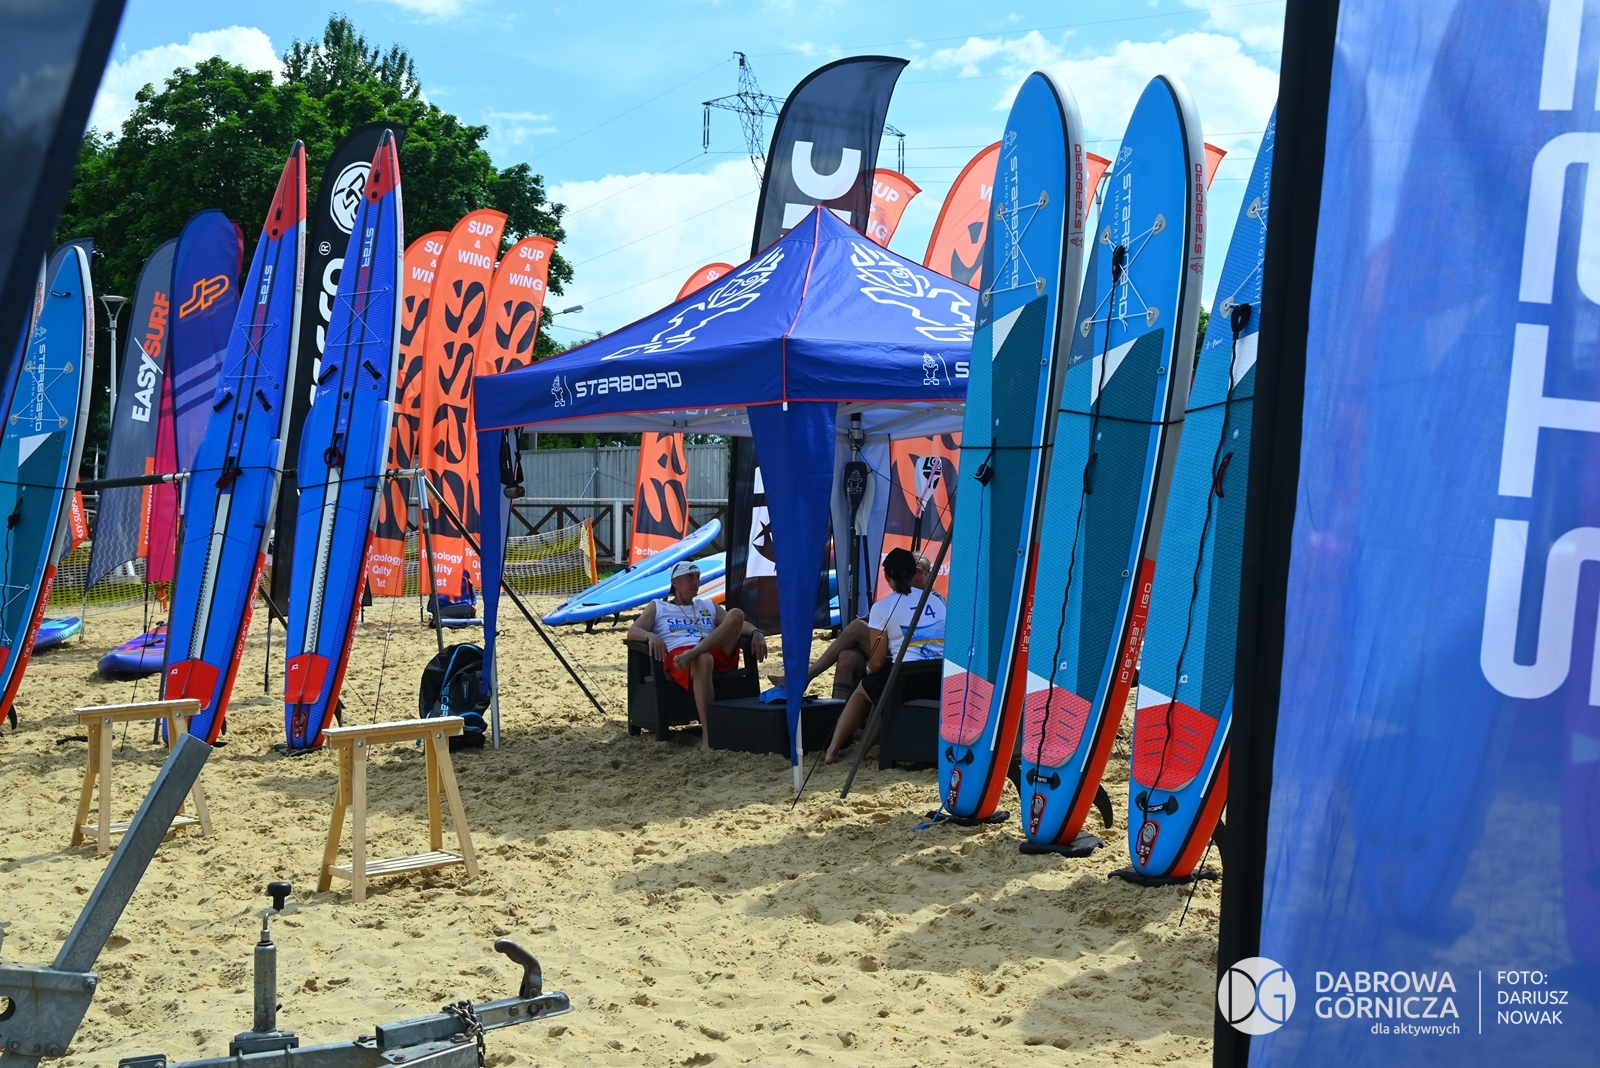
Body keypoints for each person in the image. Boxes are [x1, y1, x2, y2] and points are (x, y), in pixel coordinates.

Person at [627, 559, 767, 750]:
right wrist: (650, 636)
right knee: (704, 659)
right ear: (675, 582)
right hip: (680, 658)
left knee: (736, 614)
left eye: (698, 577)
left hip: (709, 652)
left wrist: (756, 632)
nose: (696, 582)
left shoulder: (708, 605)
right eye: (690, 578)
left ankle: (694, 653)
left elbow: (738, 624)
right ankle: (709, 737)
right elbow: (633, 631)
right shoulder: (659, 607)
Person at [823, 548, 946, 764]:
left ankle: (832, 752)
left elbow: (878, 662)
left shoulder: (882, 607)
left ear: (887, 576)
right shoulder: (937, 601)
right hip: (941, 678)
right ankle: (857, 753)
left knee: (866, 689)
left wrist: (869, 669)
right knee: (883, 688)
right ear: (913, 574)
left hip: (909, 679)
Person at [784, 551, 936, 699]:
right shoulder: (894, 601)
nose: (914, 576)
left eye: (918, 571)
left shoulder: (935, 599)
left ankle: (807, 675)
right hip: (893, 653)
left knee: (856, 628)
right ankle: (838, 710)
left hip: (911, 661)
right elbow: (872, 622)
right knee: (847, 657)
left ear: (929, 576)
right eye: (910, 571)